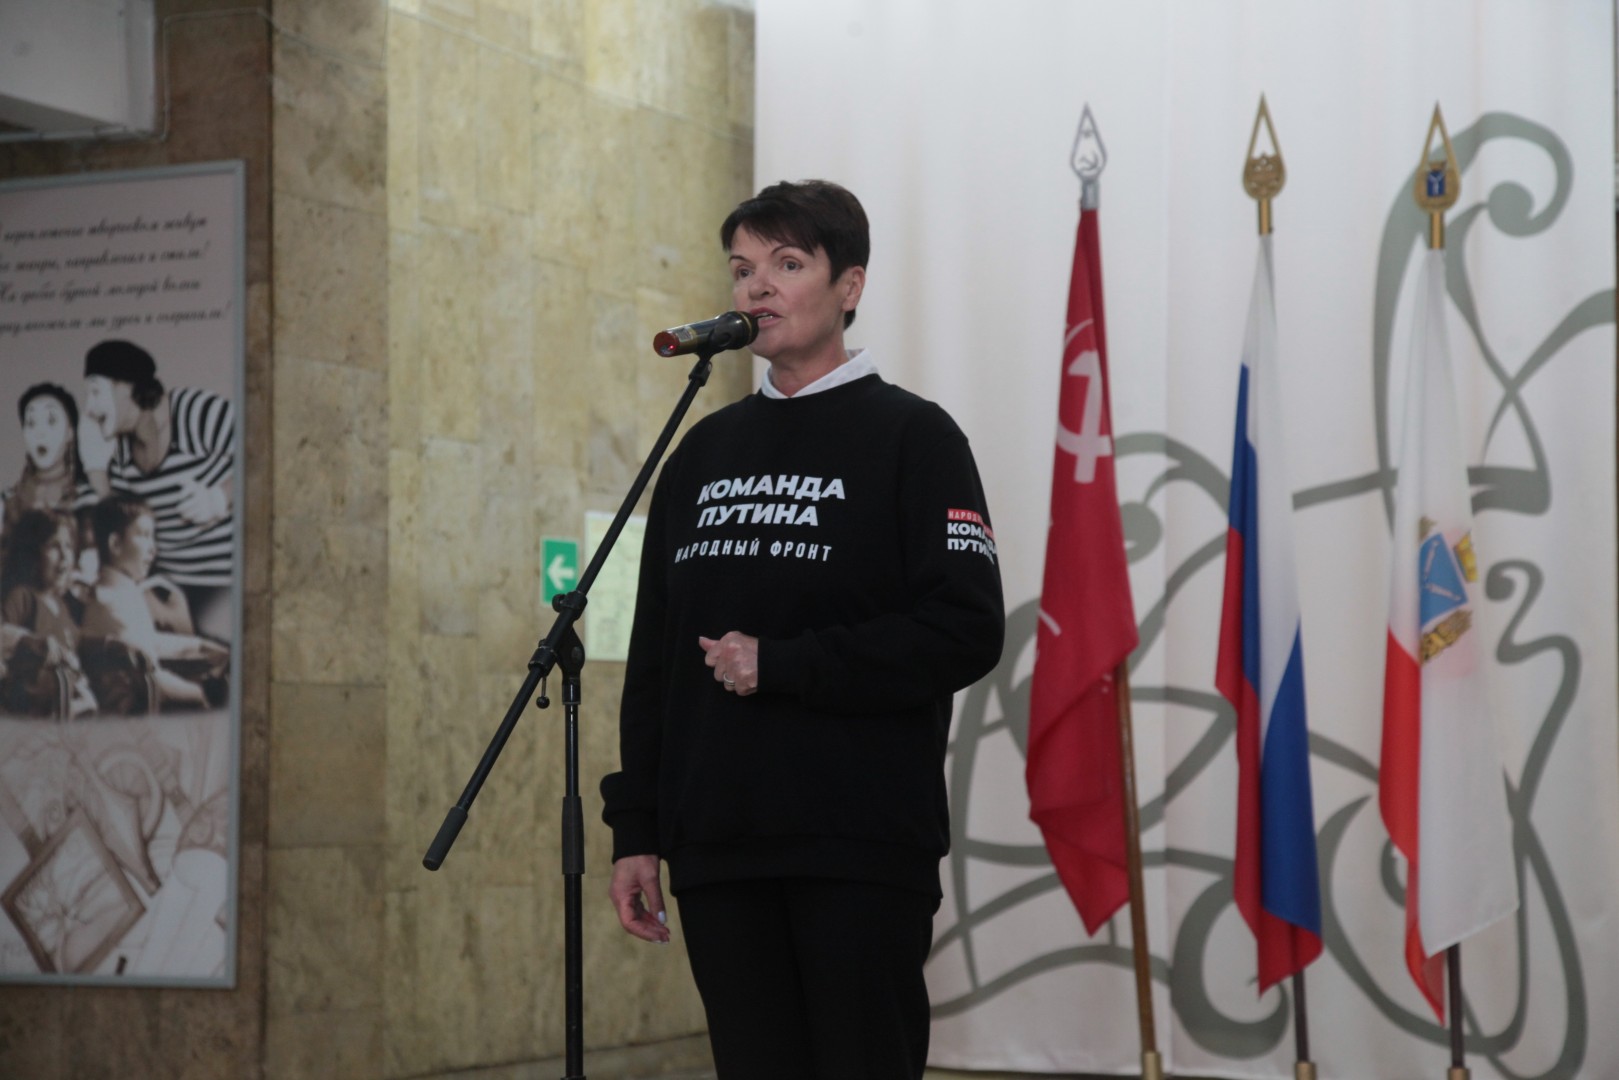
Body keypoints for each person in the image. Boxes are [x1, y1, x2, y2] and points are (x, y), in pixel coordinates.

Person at [600, 180, 1005, 1079]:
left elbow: (964, 627)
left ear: (849, 285)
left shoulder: (914, 438)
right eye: (741, 268)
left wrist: (785, 666)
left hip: (855, 841)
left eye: (787, 264)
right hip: (717, 845)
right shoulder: (700, 454)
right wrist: (636, 829)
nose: (756, 286)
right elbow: (657, 657)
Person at [79, 339, 234, 641]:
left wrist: (220, 497)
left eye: (95, 392)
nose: (89, 408)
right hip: (165, 592)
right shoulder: (119, 452)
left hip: (226, 585)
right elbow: (121, 525)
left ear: (126, 386)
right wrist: (96, 470)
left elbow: (262, 447)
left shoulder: (193, 411)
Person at [79, 494, 227, 711]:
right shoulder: (109, 602)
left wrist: (197, 646)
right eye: (144, 535)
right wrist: (199, 694)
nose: (153, 548)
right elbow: (148, 674)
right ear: (116, 544)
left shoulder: (121, 593)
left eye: (153, 537)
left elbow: (147, 642)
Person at [0, 508, 95, 717]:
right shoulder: (23, 597)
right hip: (30, 705)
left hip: (70, 699)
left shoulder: (63, 606)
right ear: (32, 553)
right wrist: (33, 643)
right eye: (54, 546)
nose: (64, 555)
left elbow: (77, 645)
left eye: (68, 546)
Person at [1, 383, 86, 548]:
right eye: (31, 423)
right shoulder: (5, 502)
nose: (40, 433)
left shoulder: (88, 500)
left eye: (51, 421)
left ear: (70, 432)